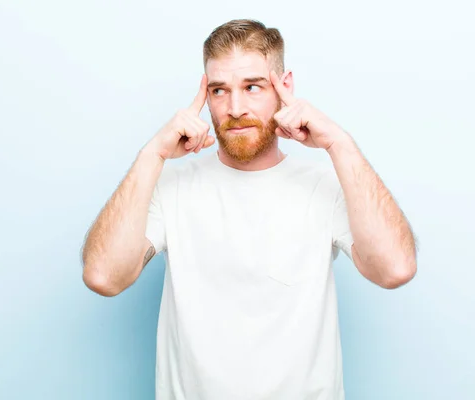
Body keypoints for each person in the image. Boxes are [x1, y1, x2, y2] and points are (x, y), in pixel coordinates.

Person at [80, 19, 417, 400]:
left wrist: (339, 143)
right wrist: (152, 154)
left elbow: (395, 269)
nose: (235, 108)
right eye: (219, 90)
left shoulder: (326, 186)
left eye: (252, 87)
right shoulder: (171, 187)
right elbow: (104, 277)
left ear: (283, 87)